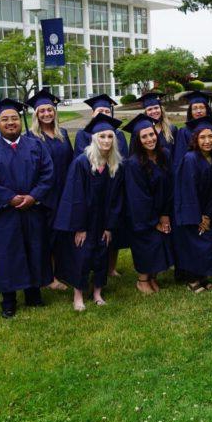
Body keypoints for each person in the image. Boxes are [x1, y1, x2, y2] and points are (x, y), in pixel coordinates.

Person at [0, 98, 55, 318]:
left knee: (34, 249)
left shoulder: (35, 145)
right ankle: (8, 300)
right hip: (3, 213)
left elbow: (48, 174)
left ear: (21, 120)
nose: (10, 122)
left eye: (14, 118)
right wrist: (9, 198)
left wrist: (33, 196)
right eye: (4, 119)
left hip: (32, 210)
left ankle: (33, 294)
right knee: (6, 254)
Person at [54, 114, 125, 311]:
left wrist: (110, 226)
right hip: (85, 220)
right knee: (82, 257)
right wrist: (80, 227)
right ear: (94, 138)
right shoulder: (82, 163)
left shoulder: (115, 165)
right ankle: (78, 296)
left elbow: (117, 200)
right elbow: (75, 197)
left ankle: (97, 292)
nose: (106, 141)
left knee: (102, 255)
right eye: (102, 136)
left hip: (103, 220)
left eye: (110, 137)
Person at [25, 88, 74, 292]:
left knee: (62, 235)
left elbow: (71, 160)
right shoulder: (30, 137)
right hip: (44, 196)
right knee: (46, 237)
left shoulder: (62, 134)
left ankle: (62, 272)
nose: (46, 114)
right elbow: (28, 168)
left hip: (64, 191)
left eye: (49, 110)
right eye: (42, 111)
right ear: (36, 114)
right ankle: (48, 277)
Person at [76, 93, 128, 277]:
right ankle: (90, 268)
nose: (104, 113)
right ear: (92, 113)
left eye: (107, 110)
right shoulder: (84, 135)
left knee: (112, 231)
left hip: (112, 189)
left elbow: (123, 161)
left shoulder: (118, 135)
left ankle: (111, 268)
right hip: (92, 190)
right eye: (100, 111)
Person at [122, 113, 174, 295]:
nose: (150, 139)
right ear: (137, 140)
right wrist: (155, 221)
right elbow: (138, 197)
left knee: (160, 244)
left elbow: (170, 186)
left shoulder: (165, 154)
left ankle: (153, 277)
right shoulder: (133, 163)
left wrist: (165, 214)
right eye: (144, 136)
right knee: (147, 244)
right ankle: (142, 279)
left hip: (161, 211)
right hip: (141, 215)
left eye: (151, 134)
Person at [173, 117, 212, 292]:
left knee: (208, 242)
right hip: (191, 211)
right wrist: (199, 216)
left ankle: (204, 276)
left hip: (209, 210)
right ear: (195, 139)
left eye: (210, 136)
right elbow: (187, 190)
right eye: (202, 137)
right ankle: (192, 278)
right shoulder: (190, 158)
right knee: (193, 243)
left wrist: (208, 214)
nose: (207, 141)